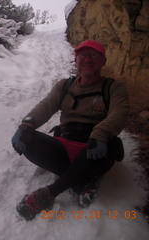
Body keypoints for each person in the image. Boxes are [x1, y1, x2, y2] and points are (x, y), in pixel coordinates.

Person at [11, 39, 130, 221]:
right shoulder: (65, 86)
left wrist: (101, 133)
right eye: (82, 55)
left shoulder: (113, 88)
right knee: (27, 138)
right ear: (76, 60)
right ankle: (81, 181)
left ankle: (50, 193)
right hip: (63, 145)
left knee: (110, 145)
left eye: (93, 55)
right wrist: (26, 124)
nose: (87, 59)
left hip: (95, 148)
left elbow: (120, 113)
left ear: (103, 60)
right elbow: (46, 105)